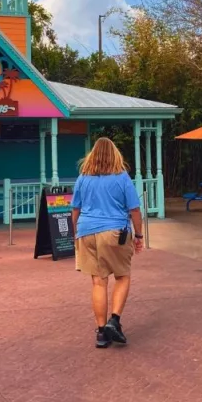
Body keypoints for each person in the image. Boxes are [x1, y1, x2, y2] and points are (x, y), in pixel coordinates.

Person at [71, 137, 144, 349]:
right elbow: (135, 210)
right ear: (115, 154)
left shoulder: (83, 178)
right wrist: (138, 235)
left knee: (98, 281)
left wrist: (75, 232)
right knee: (122, 276)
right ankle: (115, 320)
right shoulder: (122, 178)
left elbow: (75, 208)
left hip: (86, 231)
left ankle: (101, 333)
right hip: (114, 232)